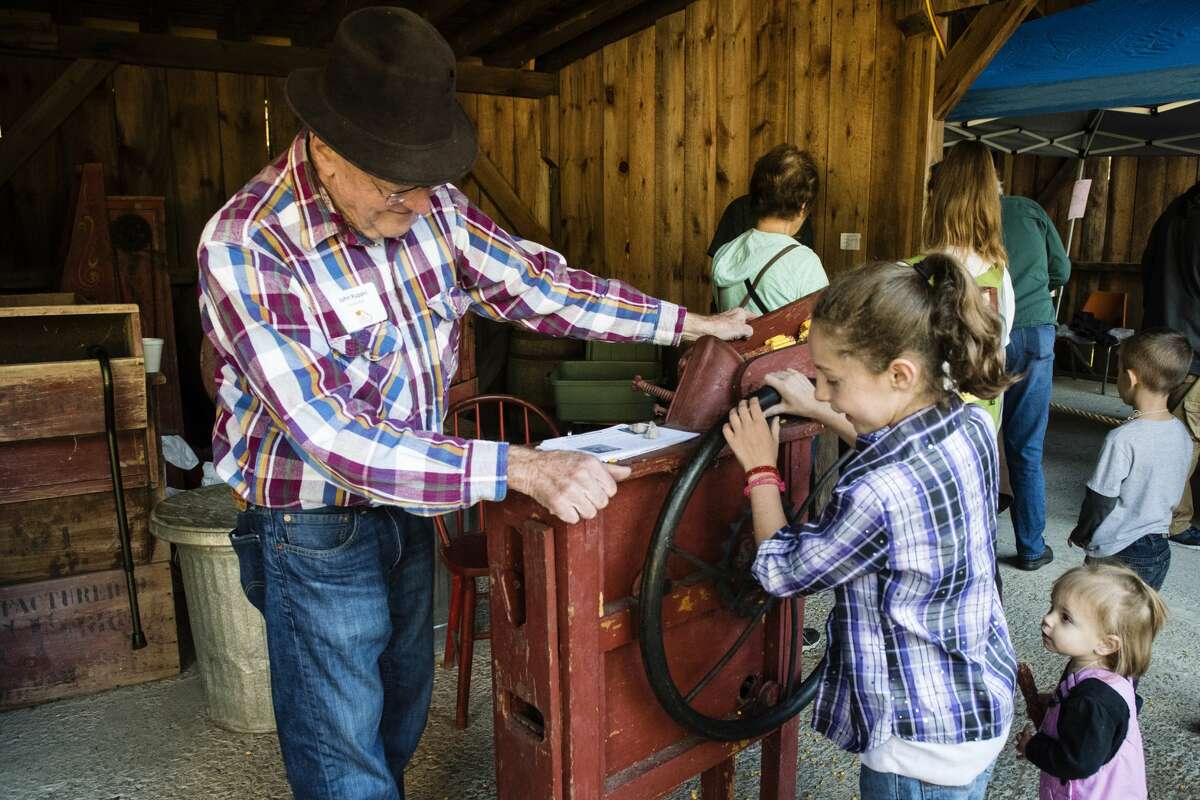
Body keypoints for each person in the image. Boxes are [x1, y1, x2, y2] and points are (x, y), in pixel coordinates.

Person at [196, 9, 751, 799]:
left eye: (429, 185)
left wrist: (688, 322)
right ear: (325, 148)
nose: (422, 207)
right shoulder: (250, 245)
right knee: (340, 747)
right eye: (400, 188)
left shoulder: (434, 207)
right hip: (312, 524)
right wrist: (521, 466)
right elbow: (334, 434)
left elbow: (542, 287)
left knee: (399, 716)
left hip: (413, 504)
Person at [722, 254, 1017, 800]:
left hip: (915, 746)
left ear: (899, 374)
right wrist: (819, 406)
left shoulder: (875, 493)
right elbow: (899, 450)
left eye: (832, 380)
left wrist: (761, 470)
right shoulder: (971, 423)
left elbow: (784, 571)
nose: (825, 394)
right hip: (972, 706)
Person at [1016, 562, 1167, 800]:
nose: (1047, 619)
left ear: (1106, 644)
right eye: (1052, 607)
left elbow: (1076, 762)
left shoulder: (1094, 701)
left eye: (1065, 617)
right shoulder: (1103, 671)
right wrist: (1058, 707)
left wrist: (1032, 747)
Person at [1067, 330, 1194, 590]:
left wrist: (1082, 534)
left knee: (1098, 622)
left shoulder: (1122, 438)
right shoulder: (1181, 432)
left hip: (1117, 553)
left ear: (1130, 377)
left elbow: (1100, 500)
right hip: (1158, 550)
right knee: (1134, 627)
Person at [920, 142, 1017, 440]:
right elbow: (999, 346)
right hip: (979, 423)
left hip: (922, 420)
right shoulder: (1001, 278)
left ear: (935, 199)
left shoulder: (912, 272)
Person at [999, 191, 1070, 571]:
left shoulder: (962, 214)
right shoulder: (1027, 208)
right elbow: (1062, 270)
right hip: (1034, 330)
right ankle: (1030, 546)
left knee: (980, 435)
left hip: (989, 331)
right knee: (1026, 445)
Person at [1141, 179, 1200, 548]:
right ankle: (1172, 520)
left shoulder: (1173, 212)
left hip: (1162, 338)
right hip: (1196, 346)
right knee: (1186, 440)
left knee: (1165, 433)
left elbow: (1147, 270)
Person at [710, 144, 828, 313]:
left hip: (728, 340)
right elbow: (823, 331)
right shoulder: (804, 263)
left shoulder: (723, 254)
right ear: (803, 206)